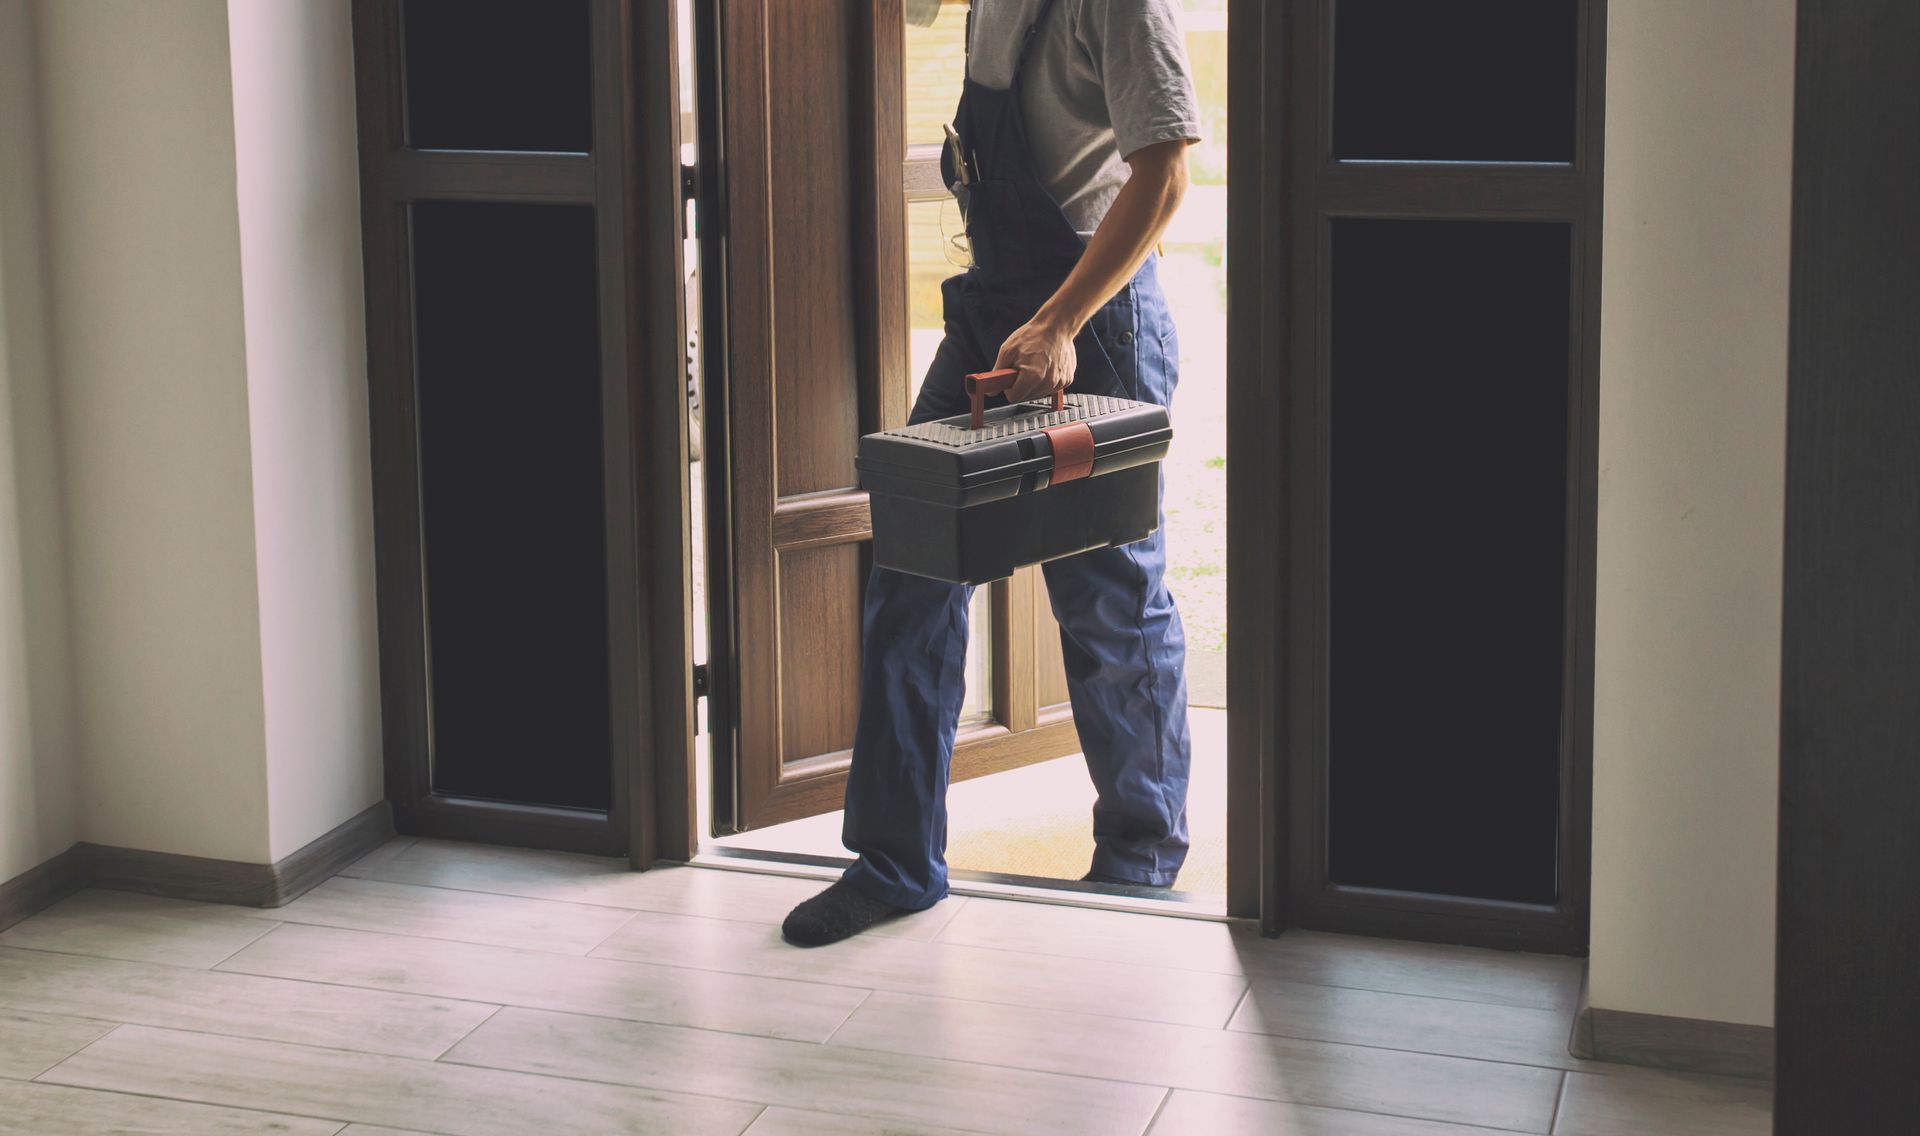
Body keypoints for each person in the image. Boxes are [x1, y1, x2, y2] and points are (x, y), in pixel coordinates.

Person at [783, 0, 1201, 946]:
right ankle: (894, 862)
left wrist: (1059, 323)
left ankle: (1140, 861)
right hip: (986, 318)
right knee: (911, 571)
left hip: (1092, 328)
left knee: (1108, 597)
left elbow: (1166, 172)